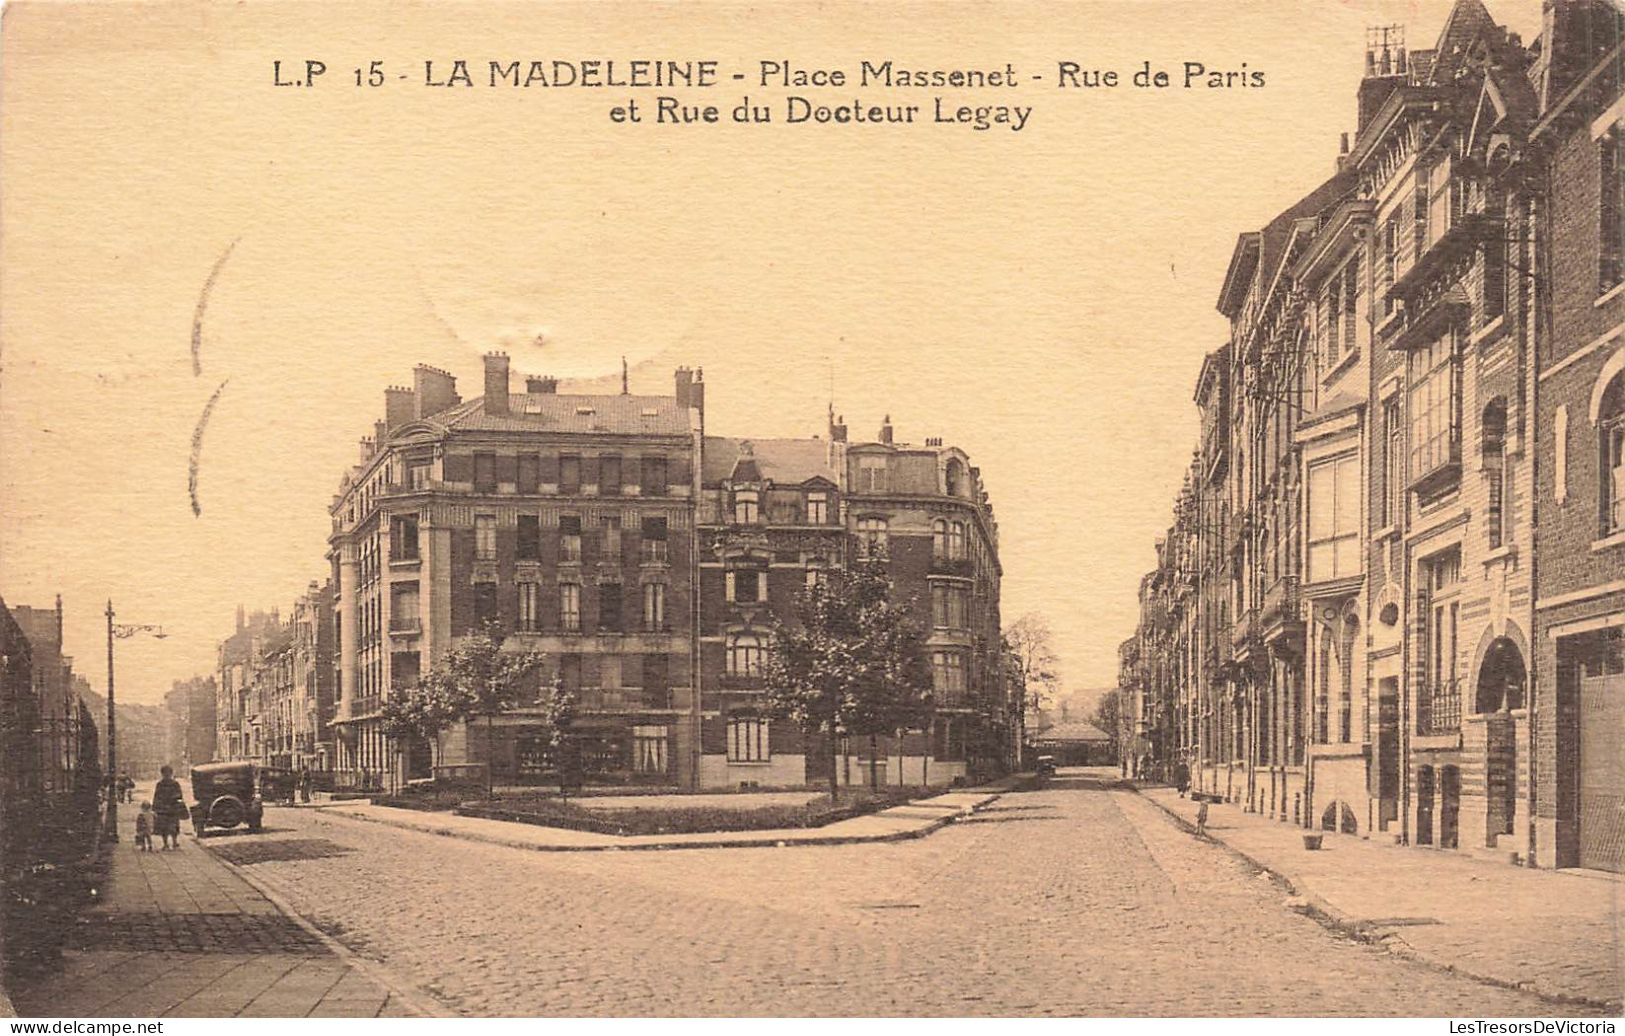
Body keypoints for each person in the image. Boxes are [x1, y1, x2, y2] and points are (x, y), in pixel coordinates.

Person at [152, 765, 185, 850]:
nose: (166, 775)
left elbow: (156, 797)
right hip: (171, 808)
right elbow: (179, 796)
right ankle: (173, 843)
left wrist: (155, 808)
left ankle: (167, 844)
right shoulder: (175, 784)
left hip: (164, 809)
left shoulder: (160, 784)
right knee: (172, 826)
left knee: (165, 827)